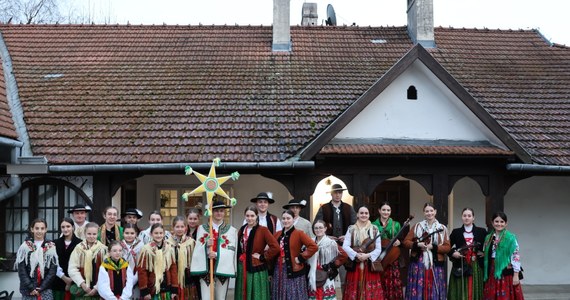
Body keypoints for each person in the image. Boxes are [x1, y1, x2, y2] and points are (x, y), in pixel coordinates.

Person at [314, 183, 357, 293]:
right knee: (325, 276)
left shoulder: (348, 208)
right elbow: (316, 225)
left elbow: (355, 226)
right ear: (331, 194)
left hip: (344, 248)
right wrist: (326, 236)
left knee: (344, 279)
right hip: (328, 247)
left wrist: (347, 236)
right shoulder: (324, 208)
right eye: (335, 193)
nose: (338, 195)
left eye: (340, 193)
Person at [190, 200, 237, 300]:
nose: (219, 213)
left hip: (222, 268)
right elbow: (197, 249)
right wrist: (206, 247)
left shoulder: (231, 230)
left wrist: (216, 254)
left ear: (224, 212)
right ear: (211, 212)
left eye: (221, 211)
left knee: (221, 298)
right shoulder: (202, 228)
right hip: (206, 268)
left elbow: (231, 250)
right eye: (216, 211)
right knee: (206, 297)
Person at [403, 202, 450, 300]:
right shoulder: (417, 226)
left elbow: (447, 247)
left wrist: (434, 247)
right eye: (427, 211)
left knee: (434, 286)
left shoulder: (442, 228)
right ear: (424, 213)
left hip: (435, 262)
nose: (429, 213)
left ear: (435, 212)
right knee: (418, 286)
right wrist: (417, 244)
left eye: (431, 211)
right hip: (418, 262)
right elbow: (406, 242)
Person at [235, 206, 280, 300]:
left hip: (256, 267)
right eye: (247, 216)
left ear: (256, 216)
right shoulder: (242, 229)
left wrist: (262, 257)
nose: (249, 218)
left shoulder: (263, 230)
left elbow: (275, 247)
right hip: (242, 266)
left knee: (257, 295)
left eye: (252, 216)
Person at [272, 209, 318, 300]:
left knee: (293, 294)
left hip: (293, 269)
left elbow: (313, 246)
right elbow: (271, 249)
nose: (286, 220)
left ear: (293, 219)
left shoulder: (299, 233)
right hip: (279, 269)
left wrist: (301, 258)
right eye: (284, 218)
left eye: (288, 218)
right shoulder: (277, 234)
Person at [342, 205, 384, 299]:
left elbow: (378, 249)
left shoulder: (374, 229)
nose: (363, 215)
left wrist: (367, 255)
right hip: (355, 264)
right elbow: (345, 246)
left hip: (369, 265)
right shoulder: (351, 229)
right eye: (361, 213)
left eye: (366, 213)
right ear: (357, 214)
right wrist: (356, 255)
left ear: (369, 215)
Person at [483, 212, 524, 300]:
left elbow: (515, 256)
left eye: (502, 222)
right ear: (492, 222)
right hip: (492, 270)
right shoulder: (488, 238)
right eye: (496, 221)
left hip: (505, 270)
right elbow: (487, 253)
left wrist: (516, 275)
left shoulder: (511, 238)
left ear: (506, 223)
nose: (499, 224)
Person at [448, 208, 487, 300]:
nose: (467, 218)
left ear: (473, 218)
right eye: (464, 215)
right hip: (460, 264)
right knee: (460, 288)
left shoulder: (481, 231)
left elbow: (491, 244)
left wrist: (485, 253)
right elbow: (447, 246)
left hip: (476, 265)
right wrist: (453, 253)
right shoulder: (456, 232)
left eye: (469, 216)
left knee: (475, 288)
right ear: (462, 217)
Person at [15, 218, 59, 300]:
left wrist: (42, 287)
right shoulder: (24, 247)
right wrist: (31, 287)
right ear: (32, 229)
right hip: (28, 290)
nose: (39, 231)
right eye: (37, 228)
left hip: (45, 290)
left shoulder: (51, 247)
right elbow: (22, 270)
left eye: (42, 228)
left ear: (46, 229)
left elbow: (52, 271)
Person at [308, 219, 348, 300]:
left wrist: (332, 265)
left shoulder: (330, 243)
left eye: (320, 228)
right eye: (316, 228)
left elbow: (344, 255)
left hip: (325, 273)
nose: (318, 230)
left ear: (325, 229)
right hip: (312, 273)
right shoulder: (310, 242)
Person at [137, 223, 179, 300]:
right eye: (156, 233)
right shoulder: (146, 249)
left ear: (164, 234)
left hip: (167, 288)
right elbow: (142, 271)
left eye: (160, 233)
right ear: (151, 234)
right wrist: (145, 291)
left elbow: (173, 269)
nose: (159, 235)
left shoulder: (169, 249)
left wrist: (174, 289)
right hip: (152, 289)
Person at [372, 201, 404, 299]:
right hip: (379, 257)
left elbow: (402, 241)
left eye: (388, 210)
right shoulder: (373, 224)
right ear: (379, 211)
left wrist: (399, 242)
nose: (386, 212)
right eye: (384, 210)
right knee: (378, 279)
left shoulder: (396, 224)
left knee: (393, 282)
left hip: (392, 258)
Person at [68, 222, 108, 300]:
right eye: (89, 234)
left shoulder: (103, 249)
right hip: (82, 289)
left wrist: (96, 288)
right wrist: (83, 284)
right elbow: (72, 268)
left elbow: (106, 270)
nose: (91, 236)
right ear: (85, 233)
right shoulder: (78, 249)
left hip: (99, 289)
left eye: (94, 234)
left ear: (98, 234)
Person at [169, 216, 198, 300]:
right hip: (173, 277)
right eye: (177, 227)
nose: (180, 229)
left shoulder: (191, 242)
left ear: (186, 227)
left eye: (182, 226)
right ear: (173, 228)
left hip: (188, 277)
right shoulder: (167, 243)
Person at [53, 217, 83, 300]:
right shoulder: (54, 243)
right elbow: (53, 263)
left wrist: (71, 280)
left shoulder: (80, 243)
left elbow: (81, 264)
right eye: (63, 227)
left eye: (68, 226)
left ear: (73, 227)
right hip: (58, 281)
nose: (65, 229)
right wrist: (64, 278)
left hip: (75, 282)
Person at [121, 223, 144, 299]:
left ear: (136, 234)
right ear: (123, 233)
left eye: (132, 233)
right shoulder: (119, 246)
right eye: (127, 233)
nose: (129, 235)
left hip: (136, 278)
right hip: (121, 278)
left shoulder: (141, 246)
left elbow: (142, 264)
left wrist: (134, 279)